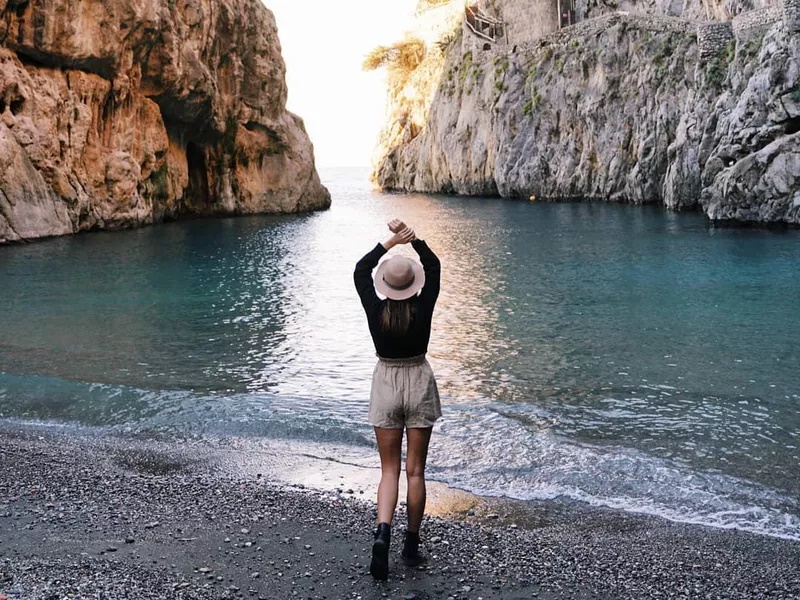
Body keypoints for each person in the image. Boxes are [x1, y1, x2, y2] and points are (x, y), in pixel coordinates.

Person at [353, 219, 442, 581]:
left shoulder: (376, 310)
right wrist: (414, 239)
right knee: (415, 471)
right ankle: (410, 544)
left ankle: (382, 532)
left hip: (386, 381)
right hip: (418, 379)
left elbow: (361, 269)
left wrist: (391, 242)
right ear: (413, 285)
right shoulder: (424, 308)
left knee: (388, 471)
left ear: (386, 285)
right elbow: (434, 266)